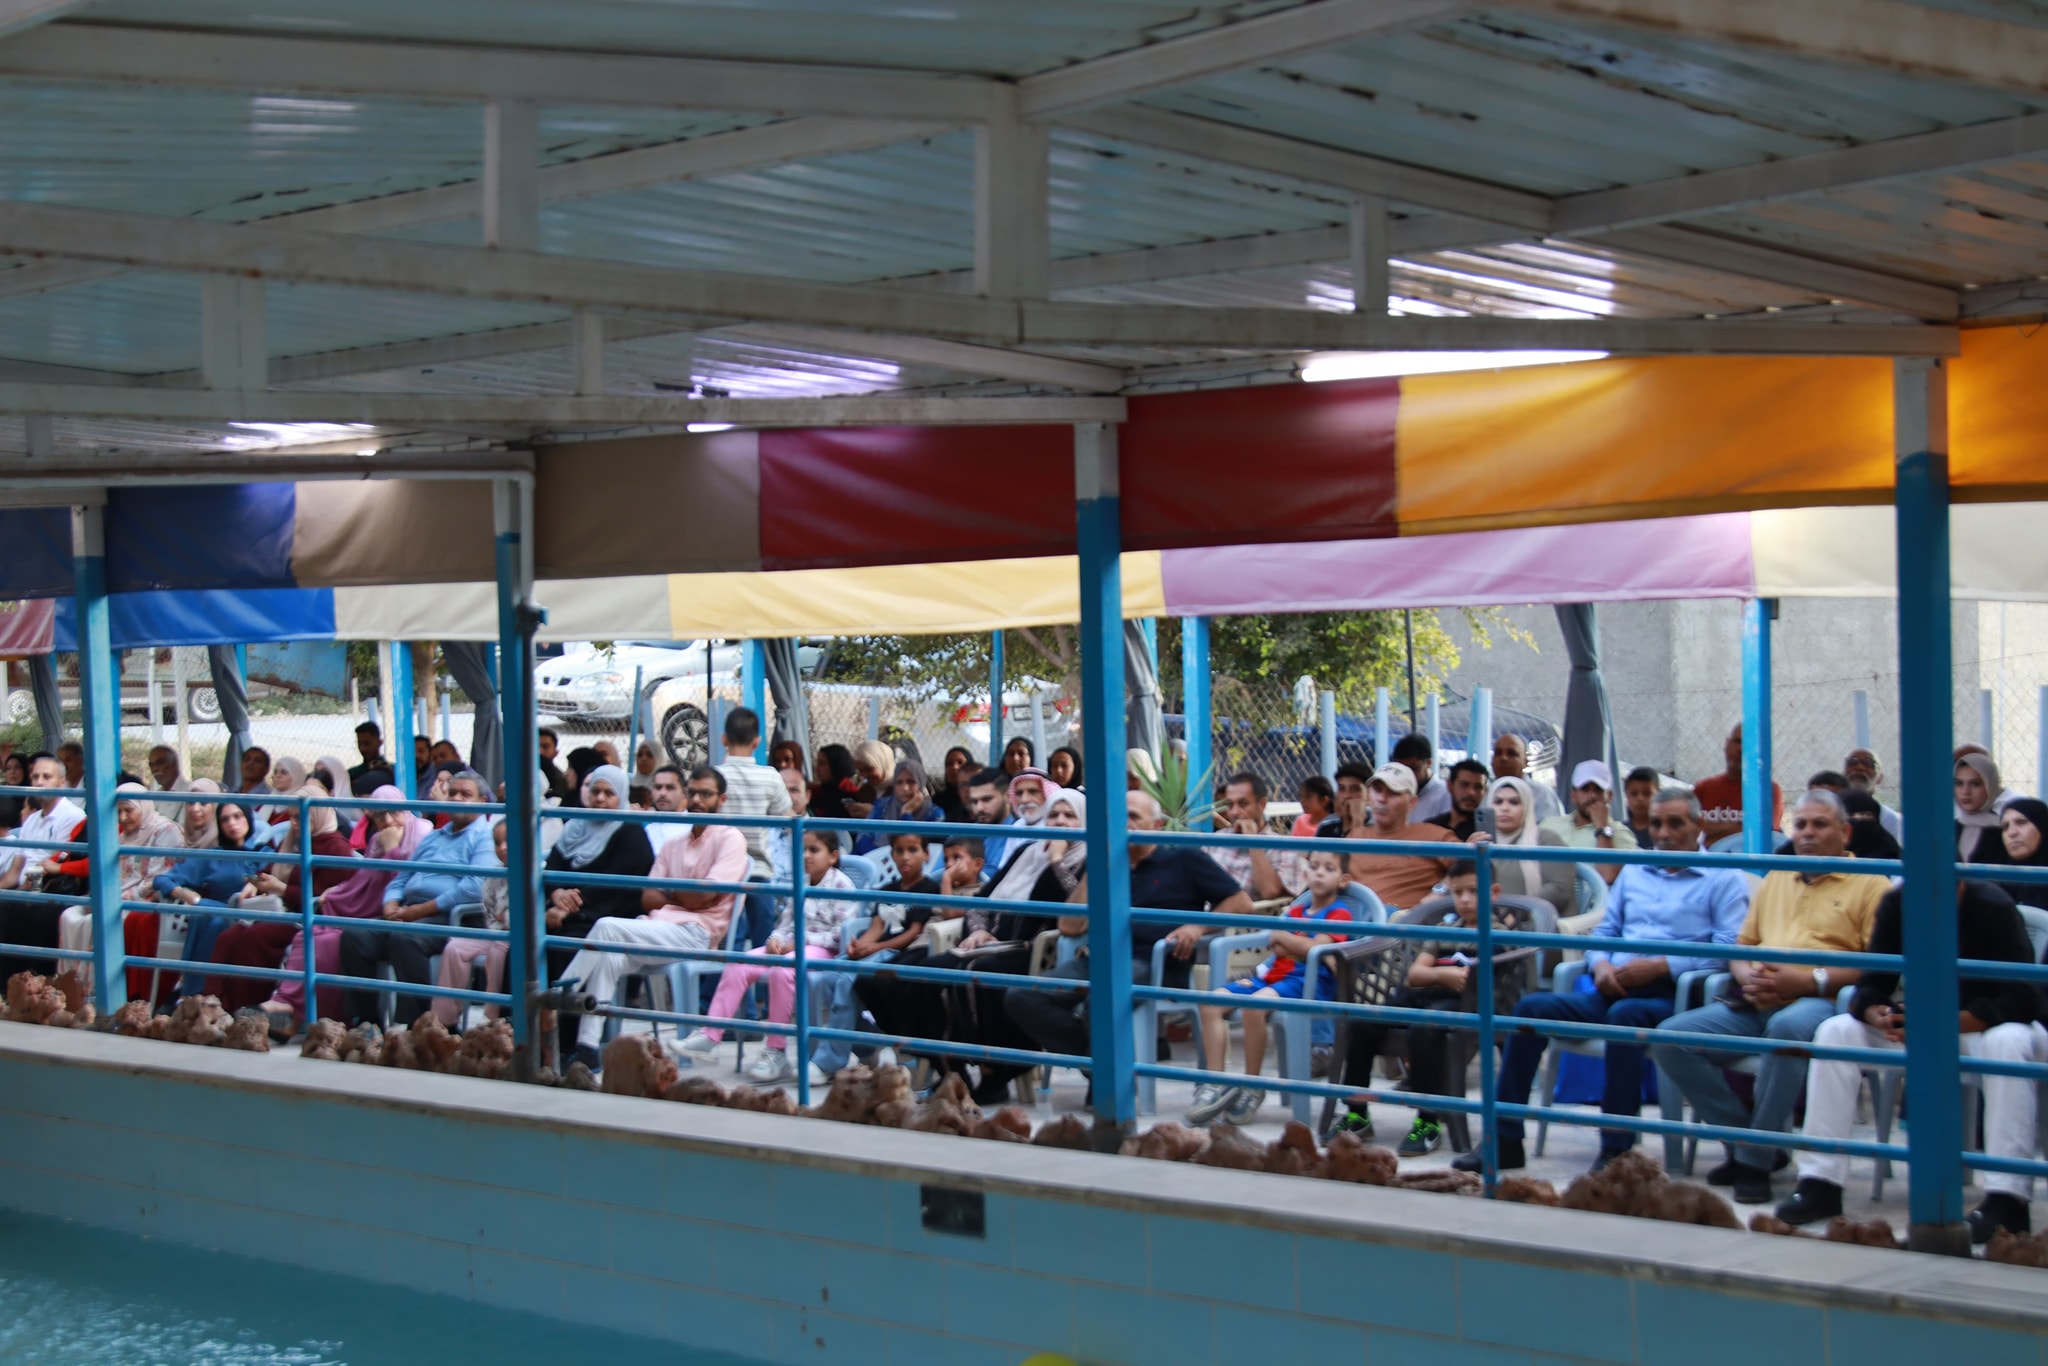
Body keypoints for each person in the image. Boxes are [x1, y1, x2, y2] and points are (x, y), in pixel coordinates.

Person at [1457, 788, 1752, 1174]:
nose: (1664, 833)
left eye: (1675, 823)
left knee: (1626, 1017)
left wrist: (1662, 966)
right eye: (1657, 824)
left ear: (1698, 826)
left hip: (1676, 996)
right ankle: (1504, 1140)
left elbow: (1727, 949)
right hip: (1612, 986)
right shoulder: (1635, 870)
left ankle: (1617, 1149)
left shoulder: (1723, 878)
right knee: (1529, 1009)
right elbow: (1605, 931)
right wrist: (1600, 967)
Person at [1651, 790, 1890, 1204]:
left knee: (1786, 1029)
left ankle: (1754, 1163)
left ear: (1845, 832)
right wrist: (1746, 975)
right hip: (1757, 997)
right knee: (1670, 1039)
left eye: (1820, 825)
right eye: (1801, 825)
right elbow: (1742, 946)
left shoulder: (1871, 883)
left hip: (1820, 1000)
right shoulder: (1778, 875)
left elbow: (1876, 965)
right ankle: (1752, 1144)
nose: (1807, 834)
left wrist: (1806, 981)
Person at [1772, 878, 2044, 1237]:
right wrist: (1879, 1014)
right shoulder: (1897, 902)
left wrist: (1946, 1022)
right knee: (1836, 1032)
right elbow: (1872, 983)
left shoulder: (1992, 906)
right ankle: (1819, 1181)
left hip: (1982, 1027)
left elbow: (2023, 1000)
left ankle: (2008, 1198)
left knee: (2008, 1042)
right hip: (1920, 1027)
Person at [1006, 791, 1252, 1098]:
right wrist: (1098, 866)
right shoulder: (1108, 863)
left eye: (1133, 817)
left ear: (1157, 826)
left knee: (1101, 998)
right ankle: (1107, 1068)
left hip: (1157, 963)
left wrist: (1198, 926)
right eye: (1119, 818)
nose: (1125, 824)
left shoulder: (1184, 859)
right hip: (1101, 961)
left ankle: (1107, 1087)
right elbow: (1069, 927)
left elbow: (1241, 902)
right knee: (1022, 996)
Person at [558, 766, 748, 1069]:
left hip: (697, 933)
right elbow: (648, 897)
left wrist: (673, 892)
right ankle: (587, 1048)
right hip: (657, 928)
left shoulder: (730, 838)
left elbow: (705, 896)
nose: (697, 800)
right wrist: (684, 893)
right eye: (692, 793)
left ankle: (560, 995)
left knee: (605, 927)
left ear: (721, 799)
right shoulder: (674, 843)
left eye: (706, 794)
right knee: (608, 957)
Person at [1336, 860, 1513, 1154]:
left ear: (1493, 893)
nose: (1464, 899)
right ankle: (1357, 1112)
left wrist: (1437, 974)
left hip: (1464, 1006)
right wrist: (1443, 975)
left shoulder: (1497, 935)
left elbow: (1472, 982)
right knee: (1361, 1023)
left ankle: (1428, 1119)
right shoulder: (1446, 929)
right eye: (1458, 892)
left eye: (1473, 891)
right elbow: (1415, 975)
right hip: (1422, 996)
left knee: (1424, 1029)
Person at [1189, 846, 1363, 1128]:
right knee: (1210, 1003)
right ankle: (1215, 1083)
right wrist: (1294, 944)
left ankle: (1252, 1086)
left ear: (1343, 880)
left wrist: (1290, 940)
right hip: (1272, 978)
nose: (1319, 873)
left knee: (1254, 1007)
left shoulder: (1339, 914)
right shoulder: (1296, 910)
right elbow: (1276, 945)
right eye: (1314, 866)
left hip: (1306, 983)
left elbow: (1317, 948)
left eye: (1328, 869)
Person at [679, 827, 860, 1084]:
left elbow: (840, 935)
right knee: (740, 963)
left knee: (782, 970)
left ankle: (776, 1050)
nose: (806, 856)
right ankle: (710, 1036)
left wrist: (798, 943)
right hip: (789, 947)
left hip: (822, 951)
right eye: (802, 850)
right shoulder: (801, 882)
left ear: (832, 856)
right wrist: (774, 940)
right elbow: (785, 923)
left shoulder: (842, 885)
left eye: (814, 850)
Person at [263, 789, 430, 1029]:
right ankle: (289, 1006)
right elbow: (362, 881)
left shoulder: (421, 837)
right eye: (379, 816)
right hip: (362, 912)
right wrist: (338, 892)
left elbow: (406, 885)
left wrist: (393, 850)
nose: (388, 821)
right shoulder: (378, 841)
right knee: (308, 935)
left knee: (330, 941)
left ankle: (306, 1014)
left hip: (395, 915)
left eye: (394, 812)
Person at [338, 770, 491, 1028]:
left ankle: (419, 1025)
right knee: (355, 936)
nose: (456, 799)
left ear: (483, 802)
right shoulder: (435, 836)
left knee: (405, 938)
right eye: (453, 793)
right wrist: (391, 905)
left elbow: (474, 888)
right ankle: (368, 1023)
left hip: (452, 917)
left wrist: (419, 911)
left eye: (466, 794)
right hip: (410, 912)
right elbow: (402, 877)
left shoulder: (485, 837)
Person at [208, 787, 355, 1013]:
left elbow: (328, 899)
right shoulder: (294, 841)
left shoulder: (335, 848)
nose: (294, 823)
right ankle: (214, 1004)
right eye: (292, 817)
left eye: (300, 817)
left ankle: (245, 1009)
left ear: (318, 814)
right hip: (282, 911)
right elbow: (272, 868)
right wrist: (254, 882)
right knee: (229, 936)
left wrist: (283, 889)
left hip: (309, 919)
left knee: (255, 937)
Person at [809, 831, 940, 1082]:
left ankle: (829, 1062)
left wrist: (876, 948)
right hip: (877, 950)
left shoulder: (928, 889)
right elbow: (877, 926)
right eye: (899, 851)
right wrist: (860, 945)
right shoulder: (888, 889)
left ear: (926, 855)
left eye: (912, 850)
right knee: (826, 977)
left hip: (897, 954)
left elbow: (913, 933)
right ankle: (866, 1046)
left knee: (848, 980)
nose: (905, 857)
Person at [539, 764, 656, 1037]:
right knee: (525, 943)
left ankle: (564, 1039)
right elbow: (552, 868)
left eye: (609, 793)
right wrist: (556, 895)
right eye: (596, 792)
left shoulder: (631, 833)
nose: (600, 798)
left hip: (604, 918)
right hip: (564, 914)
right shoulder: (575, 827)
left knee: (570, 946)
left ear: (622, 796)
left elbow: (614, 885)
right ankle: (518, 1029)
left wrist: (567, 911)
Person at [54, 784, 186, 1003]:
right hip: (114, 898)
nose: (123, 818)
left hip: (143, 902)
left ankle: (96, 994)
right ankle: (70, 988)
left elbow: (157, 879)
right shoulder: (123, 836)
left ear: (143, 806)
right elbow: (109, 874)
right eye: (119, 811)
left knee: (98, 922)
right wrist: (99, 897)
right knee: (69, 916)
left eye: (128, 810)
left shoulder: (165, 831)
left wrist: (116, 900)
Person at [159, 800, 272, 1000]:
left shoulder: (263, 853)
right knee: (211, 915)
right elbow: (163, 879)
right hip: (216, 914)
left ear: (248, 818)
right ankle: (199, 993)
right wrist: (185, 894)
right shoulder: (213, 856)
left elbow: (274, 876)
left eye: (237, 816)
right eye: (225, 819)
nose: (232, 823)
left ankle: (188, 989)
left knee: (207, 911)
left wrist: (255, 882)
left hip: (252, 917)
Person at [713, 706, 792, 946]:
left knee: (731, 936)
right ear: (757, 742)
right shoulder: (770, 776)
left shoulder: (714, 776)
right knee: (763, 935)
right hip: (759, 868)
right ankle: (762, 970)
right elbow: (787, 817)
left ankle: (731, 970)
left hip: (723, 868)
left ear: (724, 740)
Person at [0, 753, 83, 979]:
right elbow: (15, 870)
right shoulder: (32, 820)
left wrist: (22, 891)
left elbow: (59, 862)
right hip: (24, 889)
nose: (39, 782)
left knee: (17, 912)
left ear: (61, 782)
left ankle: (30, 982)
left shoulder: (72, 816)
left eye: (47, 777)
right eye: (36, 777)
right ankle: (9, 987)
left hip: (50, 890)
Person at [429, 817, 511, 1030]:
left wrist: (506, 918)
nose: (502, 848)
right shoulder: (493, 875)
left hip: (514, 939)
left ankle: (494, 1017)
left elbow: (527, 915)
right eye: (497, 843)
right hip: (494, 932)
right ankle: (445, 1020)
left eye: (508, 841)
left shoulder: (532, 871)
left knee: (499, 951)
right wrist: (502, 919)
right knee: (455, 947)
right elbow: (490, 910)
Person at [1342, 765, 1457, 912]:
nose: (1382, 799)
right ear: (1368, 797)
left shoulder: (1434, 836)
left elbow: (1470, 865)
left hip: (1404, 920)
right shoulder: (1354, 837)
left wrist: (1439, 892)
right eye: (1377, 790)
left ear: (1412, 802)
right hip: (1352, 918)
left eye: (1393, 793)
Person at [1473, 776, 1575, 919]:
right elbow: (1460, 886)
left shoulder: (1545, 839)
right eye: (1498, 802)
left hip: (1538, 924)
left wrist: (1516, 913)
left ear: (1527, 807)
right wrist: (1468, 855)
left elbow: (1559, 889)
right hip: (1487, 922)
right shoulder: (1480, 842)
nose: (1505, 808)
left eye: (1514, 802)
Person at [1540, 760, 1639, 884]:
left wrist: (1602, 828)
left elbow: (1608, 877)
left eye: (1598, 790)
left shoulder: (1620, 832)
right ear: (1574, 795)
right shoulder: (1549, 825)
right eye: (1585, 789)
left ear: (1609, 796)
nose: (1592, 795)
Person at [1209, 771, 1300, 900]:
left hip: (1243, 910)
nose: (1234, 812)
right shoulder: (1216, 840)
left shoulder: (1282, 847)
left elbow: (1270, 891)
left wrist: (1252, 840)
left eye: (1243, 804)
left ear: (1262, 805)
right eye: (1230, 805)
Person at [1693, 722, 1782, 847]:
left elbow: (1762, 835)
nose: (1740, 749)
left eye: (1748, 745)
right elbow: (1687, 829)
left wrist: (1710, 831)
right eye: (1737, 741)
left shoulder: (1768, 790)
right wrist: (1738, 828)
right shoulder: (1703, 788)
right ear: (1727, 744)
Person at [858, 758, 945, 855]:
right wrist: (882, 857)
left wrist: (906, 813)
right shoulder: (882, 805)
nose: (905, 788)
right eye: (899, 782)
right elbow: (863, 839)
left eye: (911, 782)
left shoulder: (934, 814)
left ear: (920, 782)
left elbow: (912, 848)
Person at [1491, 732, 1562, 823]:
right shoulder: (1486, 794)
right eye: (1498, 753)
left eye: (1511, 753)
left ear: (1525, 762)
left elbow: (1550, 829)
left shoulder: (1542, 795)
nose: (1503, 758)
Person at [1957, 751, 2013, 866]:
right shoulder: (1947, 829)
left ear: (1990, 786)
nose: (1965, 791)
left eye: (1975, 784)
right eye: (1959, 783)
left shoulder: (2008, 830)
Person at [1998, 798, 2048, 912]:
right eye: (2005, 826)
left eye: (2021, 822)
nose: (2011, 833)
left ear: (2042, 826)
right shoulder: (1997, 881)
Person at [1843, 747, 1903, 841]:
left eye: (1868, 763)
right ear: (1843, 774)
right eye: (1853, 762)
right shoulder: (1830, 814)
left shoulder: (1892, 820)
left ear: (1880, 778)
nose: (1859, 767)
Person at [965, 766, 1017, 872]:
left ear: (1008, 796)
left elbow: (994, 877)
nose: (979, 808)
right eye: (974, 802)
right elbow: (935, 874)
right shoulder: (961, 834)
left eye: (987, 799)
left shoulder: (1018, 837)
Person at [1391, 733, 1449, 824]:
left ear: (1429, 763)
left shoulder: (1445, 794)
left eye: (1413, 769)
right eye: (1401, 769)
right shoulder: (1390, 792)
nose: (1407, 774)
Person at [1429, 759, 1489, 842]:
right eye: (1464, 785)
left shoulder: (1486, 832)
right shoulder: (1431, 827)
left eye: (1478, 787)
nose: (1471, 792)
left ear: (1485, 792)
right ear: (1450, 785)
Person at [1840, 790, 1903, 862]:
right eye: (1850, 815)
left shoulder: (1891, 856)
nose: (1859, 820)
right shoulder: (1832, 852)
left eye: (1867, 815)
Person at [1314, 763, 1372, 840]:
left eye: (1355, 789)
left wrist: (1357, 821)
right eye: (1342, 789)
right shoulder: (1327, 825)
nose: (1347, 795)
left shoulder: (1377, 826)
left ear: (1368, 794)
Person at [642, 764, 688, 855]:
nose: (662, 793)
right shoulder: (646, 830)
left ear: (684, 792)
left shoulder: (695, 830)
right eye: (658, 787)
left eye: (670, 787)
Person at [808, 744, 861, 821]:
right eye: (818, 763)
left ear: (836, 765)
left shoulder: (852, 795)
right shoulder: (816, 793)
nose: (817, 768)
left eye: (822, 763)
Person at [145, 744, 192, 824]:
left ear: (174, 764)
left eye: (160, 763)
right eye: (151, 765)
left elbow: (184, 827)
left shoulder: (190, 792)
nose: (154, 769)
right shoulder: (155, 796)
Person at [348, 722, 396, 796]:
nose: (362, 749)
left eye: (367, 744)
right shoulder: (351, 774)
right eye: (359, 744)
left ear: (379, 742)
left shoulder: (394, 771)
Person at [177, 778, 222, 850]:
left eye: (203, 802)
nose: (195, 809)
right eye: (191, 802)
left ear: (215, 806)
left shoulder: (222, 845)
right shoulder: (180, 841)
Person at [933, 745, 976, 822]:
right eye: (949, 763)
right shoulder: (936, 802)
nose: (954, 767)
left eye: (960, 763)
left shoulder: (979, 800)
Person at [1622, 766, 1661, 846]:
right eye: (1634, 794)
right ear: (1626, 795)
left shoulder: (1664, 831)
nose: (1640, 798)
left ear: (1659, 794)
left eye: (1647, 793)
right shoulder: (1621, 831)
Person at [537, 727, 571, 802]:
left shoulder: (560, 780)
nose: (540, 751)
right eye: (535, 746)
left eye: (545, 747)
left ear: (556, 753)